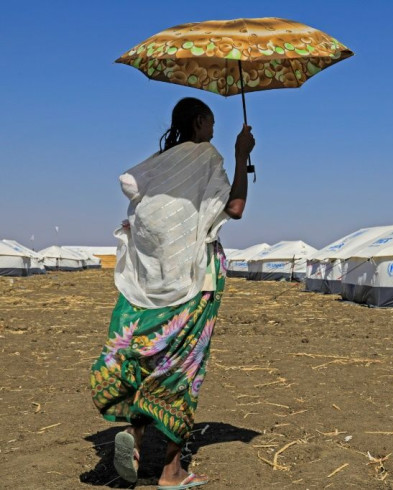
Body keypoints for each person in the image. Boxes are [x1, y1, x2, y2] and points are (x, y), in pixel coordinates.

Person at [90, 97, 255, 489]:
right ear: (199, 122)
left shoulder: (159, 164)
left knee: (145, 351)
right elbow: (234, 208)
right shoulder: (205, 156)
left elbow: (134, 192)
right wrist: (240, 154)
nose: (212, 130)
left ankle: (135, 440)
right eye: (211, 123)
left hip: (150, 282)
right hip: (196, 281)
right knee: (181, 366)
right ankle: (171, 472)